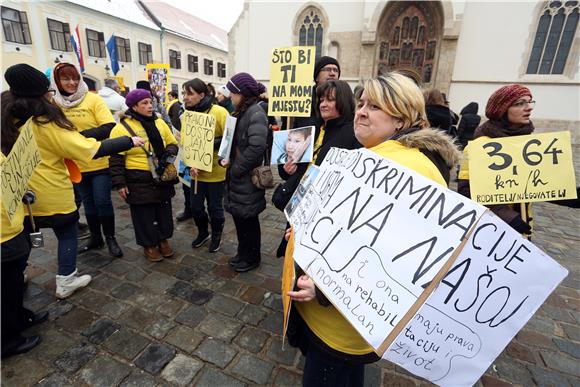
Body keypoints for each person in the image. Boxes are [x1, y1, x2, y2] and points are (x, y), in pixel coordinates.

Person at [286, 72, 461, 387]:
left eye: (375, 106)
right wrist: (305, 229)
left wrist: (324, 287)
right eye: (361, 103)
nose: (362, 111)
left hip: (340, 321)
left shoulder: (408, 168)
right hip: (337, 318)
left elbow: (396, 260)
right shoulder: (376, 156)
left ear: (402, 118)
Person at [3, 64, 144, 300]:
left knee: (24, 236)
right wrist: (128, 141)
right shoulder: (43, 123)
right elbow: (86, 149)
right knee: (67, 233)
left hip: (21, 195)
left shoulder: (7, 117)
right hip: (51, 193)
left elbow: (105, 127)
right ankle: (66, 279)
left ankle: (17, 276)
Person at [275, 79, 361, 257]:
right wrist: (288, 169)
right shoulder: (316, 129)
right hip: (301, 205)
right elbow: (298, 168)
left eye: (329, 100)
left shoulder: (353, 135)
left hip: (322, 216)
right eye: (321, 100)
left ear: (343, 101)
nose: (323, 104)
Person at [50, 62, 124, 258]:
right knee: (88, 204)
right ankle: (95, 237)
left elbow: (108, 126)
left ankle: (110, 238)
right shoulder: (54, 103)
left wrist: (77, 138)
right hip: (75, 166)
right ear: (57, 81)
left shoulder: (92, 99)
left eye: (75, 78)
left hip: (99, 161)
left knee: (102, 201)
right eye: (66, 79)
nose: (72, 82)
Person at [109, 89, 179, 262]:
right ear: (134, 106)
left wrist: (166, 155)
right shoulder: (121, 128)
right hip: (137, 178)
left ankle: (163, 239)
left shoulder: (160, 122)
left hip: (161, 175)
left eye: (150, 102)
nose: (150, 106)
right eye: (144, 103)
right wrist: (120, 183)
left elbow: (172, 143)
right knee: (143, 215)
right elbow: (115, 158)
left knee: (163, 211)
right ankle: (149, 245)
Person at [458, 84, 536, 236]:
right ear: (502, 110)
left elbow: (539, 184)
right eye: (520, 103)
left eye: (530, 102)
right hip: (490, 229)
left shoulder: (528, 142)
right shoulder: (481, 145)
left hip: (522, 230)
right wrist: (509, 217)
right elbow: (467, 191)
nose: (528, 108)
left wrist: (571, 196)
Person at [221, 72, 269, 272]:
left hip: (246, 178)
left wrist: (237, 169)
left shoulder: (255, 113)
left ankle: (252, 258)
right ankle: (243, 253)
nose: (230, 97)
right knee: (240, 220)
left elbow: (257, 147)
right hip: (237, 178)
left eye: (233, 93)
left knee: (249, 221)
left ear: (242, 93)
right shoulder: (241, 112)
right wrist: (223, 156)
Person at [181, 78, 229, 252]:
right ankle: (203, 233)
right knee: (195, 207)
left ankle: (216, 235)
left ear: (201, 95)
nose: (185, 97)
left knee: (215, 209)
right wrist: (190, 161)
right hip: (194, 173)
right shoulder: (187, 114)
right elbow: (187, 141)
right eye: (184, 93)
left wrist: (207, 147)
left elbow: (229, 139)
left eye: (189, 93)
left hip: (215, 172)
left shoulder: (219, 112)